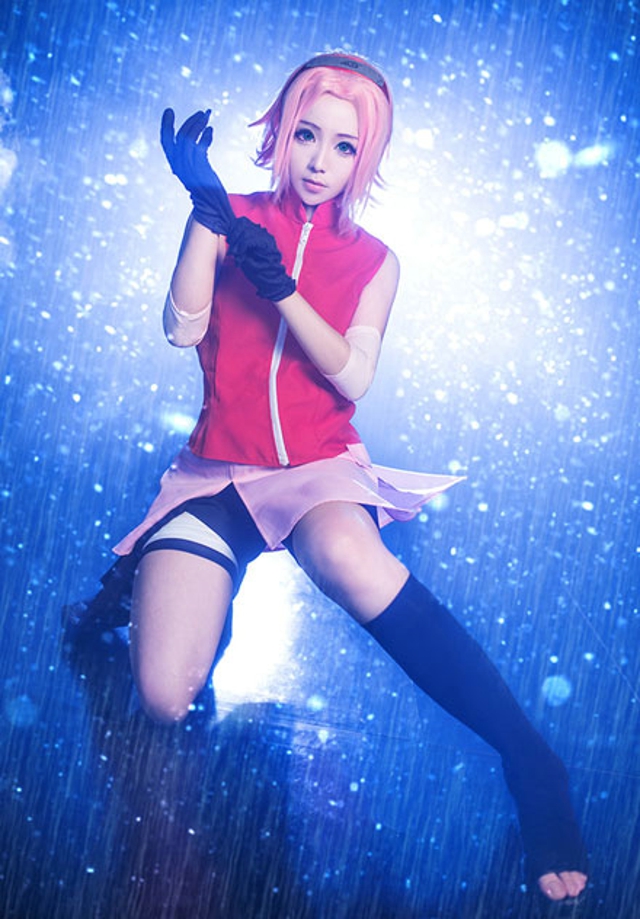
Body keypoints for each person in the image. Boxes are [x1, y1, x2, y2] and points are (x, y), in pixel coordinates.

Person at [72, 52, 588, 903]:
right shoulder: (230, 214)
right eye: (307, 135)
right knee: (164, 697)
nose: (319, 161)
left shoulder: (376, 259)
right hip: (215, 473)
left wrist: (278, 286)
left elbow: (352, 376)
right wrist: (205, 217)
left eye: (344, 147)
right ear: (281, 133)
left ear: (365, 159)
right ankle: (183, 599)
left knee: (354, 558)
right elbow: (181, 328)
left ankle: (531, 759)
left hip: (315, 471)